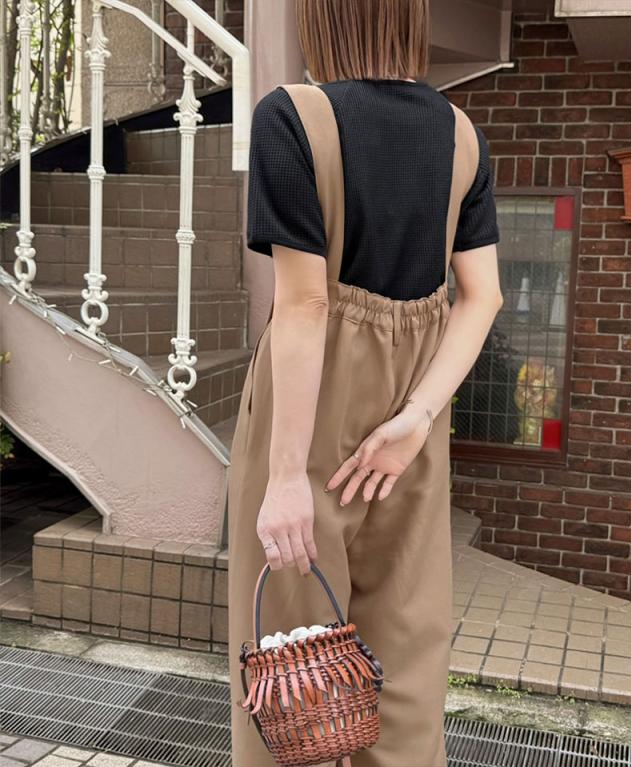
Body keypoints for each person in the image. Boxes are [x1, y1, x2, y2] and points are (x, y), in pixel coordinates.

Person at [227, 1, 503, 764]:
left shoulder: (292, 117)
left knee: (295, 670)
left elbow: (307, 304)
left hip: (311, 411)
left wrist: (286, 475)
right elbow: (482, 295)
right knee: (408, 659)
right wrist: (417, 417)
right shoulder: (461, 134)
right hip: (413, 422)